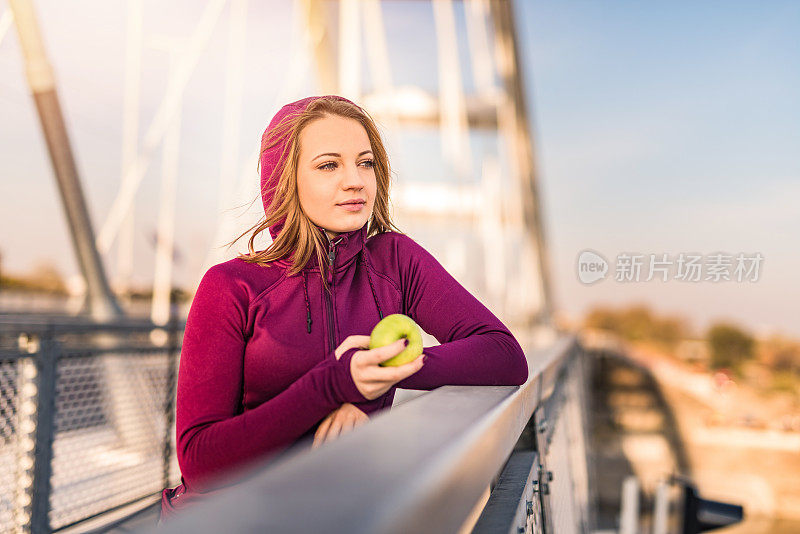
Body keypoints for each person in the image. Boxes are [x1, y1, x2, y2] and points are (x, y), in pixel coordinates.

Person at [158, 95, 528, 525]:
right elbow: (200, 464)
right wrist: (332, 386)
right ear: (284, 180)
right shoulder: (232, 287)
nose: (356, 181)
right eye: (329, 165)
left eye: (366, 163)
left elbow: (504, 355)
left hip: (341, 512)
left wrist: (383, 372)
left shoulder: (395, 261)